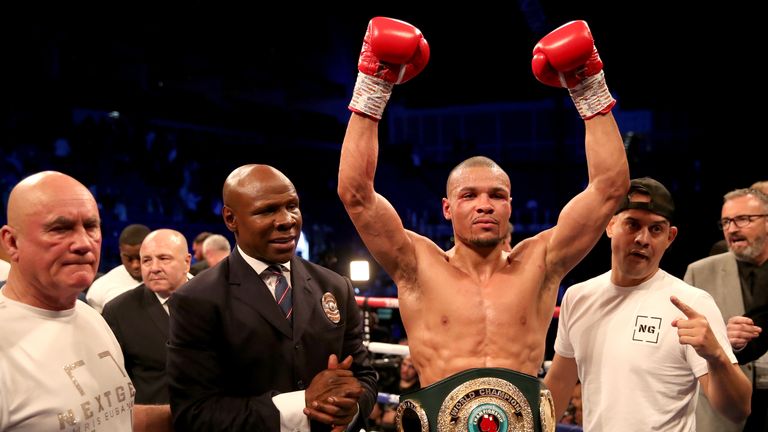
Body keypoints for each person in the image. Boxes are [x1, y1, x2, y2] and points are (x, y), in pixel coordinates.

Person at [337, 17, 629, 430]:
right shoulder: (417, 265)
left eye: (496, 196)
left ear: (511, 206)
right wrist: (373, 86)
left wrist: (588, 86)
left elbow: (609, 190)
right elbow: (356, 195)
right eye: (469, 196)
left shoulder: (541, 262)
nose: (484, 205)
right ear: (446, 208)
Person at [167, 164, 378, 431]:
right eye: (267, 210)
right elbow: (193, 412)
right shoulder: (196, 299)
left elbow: (365, 376)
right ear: (231, 219)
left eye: (292, 205)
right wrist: (301, 404)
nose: (287, 220)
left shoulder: (335, 286)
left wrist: (350, 408)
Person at [543, 177, 751, 431]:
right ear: (610, 225)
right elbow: (559, 388)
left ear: (670, 237)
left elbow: (738, 410)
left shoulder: (692, 303)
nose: (643, 239)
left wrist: (716, 355)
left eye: (656, 229)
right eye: (632, 224)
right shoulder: (579, 297)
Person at [0, 171, 168, 431]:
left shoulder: (92, 317)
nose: (83, 243)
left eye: (91, 226)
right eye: (60, 228)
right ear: (11, 242)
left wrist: (198, 414)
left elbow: (109, 416)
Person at [685, 187, 768, 432]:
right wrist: (721, 339)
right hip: (723, 412)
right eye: (726, 222)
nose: (732, 229)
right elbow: (680, 345)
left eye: (743, 219)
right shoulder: (699, 272)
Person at [103, 229, 191, 407]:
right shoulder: (118, 311)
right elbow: (111, 382)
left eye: (164, 258)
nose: (154, 268)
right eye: (147, 260)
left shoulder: (214, 298)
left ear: (187, 262)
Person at [86, 223, 150, 313]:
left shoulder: (167, 283)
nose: (135, 265)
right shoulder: (100, 288)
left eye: (140, 258)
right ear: (121, 252)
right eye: (129, 259)